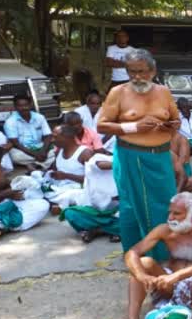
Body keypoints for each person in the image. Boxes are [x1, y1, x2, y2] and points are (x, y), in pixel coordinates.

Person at [101, 192, 192, 319]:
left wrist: (178, 276)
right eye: (170, 213)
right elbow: (132, 252)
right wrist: (142, 275)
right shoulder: (164, 230)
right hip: (169, 284)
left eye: (177, 213)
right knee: (144, 262)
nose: (171, 218)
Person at [97, 48, 180, 262]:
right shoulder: (119, 92)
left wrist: (169, 126)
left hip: (160, 157)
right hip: (131, 156)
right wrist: (134, 127)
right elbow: (102, 126)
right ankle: (136, 256)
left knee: (165, 204)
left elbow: (176, 120)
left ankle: (163, 254)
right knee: (132, 205)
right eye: (131, 71)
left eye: (142, 71)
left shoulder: (164, 92)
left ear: (152, 71)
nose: (137, 77)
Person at [60, 154, 120, 243]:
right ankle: (112, 230)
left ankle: (97, 230)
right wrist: (124, 164)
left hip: (118, 213)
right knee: (70, 213)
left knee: (134, 218)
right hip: (96, 213)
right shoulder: (98, 158)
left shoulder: (128, 168)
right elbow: (100, 165)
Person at [43, 125, 94, 212]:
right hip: (60, 187)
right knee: (34, 182)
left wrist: (67, 176)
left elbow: (94, 180)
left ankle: (58, 204)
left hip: (78, 189)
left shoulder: (85, 153)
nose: (52, 140)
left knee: (71, 195)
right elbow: (54, 170)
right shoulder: (59, 151)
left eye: (55, 137)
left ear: (67, 138)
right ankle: (58, 204)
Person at [3, 94, 56, 169]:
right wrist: (35, 154)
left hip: (40, 147)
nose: (24, 108)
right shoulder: (10, 121)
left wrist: (44, 151)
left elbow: (48, 136)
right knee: (15, 156)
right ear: (15, 107)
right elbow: (16, 143)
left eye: (26, 105)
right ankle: (43, 163)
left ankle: (35, 164)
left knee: (57, 150)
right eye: (20, 106)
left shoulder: (39, 117)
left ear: (30, 105)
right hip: (23, 150)